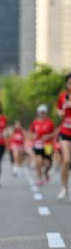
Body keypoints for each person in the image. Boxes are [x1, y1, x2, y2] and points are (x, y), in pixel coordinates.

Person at [29, 104, 55, 186]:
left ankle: (46, 173)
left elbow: (54, 133)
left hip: (48, 145)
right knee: (39, 161)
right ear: (38, 113)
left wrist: (48, 136)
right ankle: (39, 178)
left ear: (46, 113)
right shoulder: (35, 122)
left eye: (44, 112)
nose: (42, 114)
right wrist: (33, 136)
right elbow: (31, 133)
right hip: (38, 144)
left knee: (48, 164)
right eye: (41, 112)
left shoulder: (50, 122)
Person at [56, 73, 71, 201]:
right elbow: (59, 113)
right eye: (69, 82)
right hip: (65, 133)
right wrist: (63, 109)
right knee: (66, 161)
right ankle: (64, 187)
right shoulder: (62, 97)